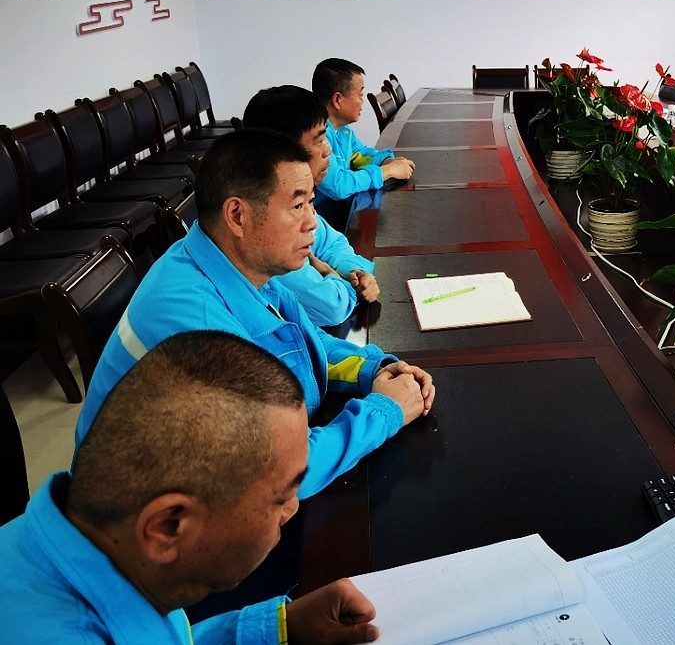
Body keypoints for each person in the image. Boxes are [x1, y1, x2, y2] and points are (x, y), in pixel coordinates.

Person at [77, 130, 435, 499]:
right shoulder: (195, 324)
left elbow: (298, 341)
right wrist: (384, 411)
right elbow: (277, 472)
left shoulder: (231, 261)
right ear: (237, 215)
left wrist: (371, 368)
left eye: (311, 202)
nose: (312, 221)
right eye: (297, 206)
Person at [0, 330, 379, 644]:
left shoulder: (80, 542)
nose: (292, 508)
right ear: (168, 526)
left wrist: (279, 625)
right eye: (281, 498)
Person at [243, 85, 380, 328]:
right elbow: (332, 305)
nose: (328, 149)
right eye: (319, 140)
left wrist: (353, 271)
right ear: (284, 150)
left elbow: (331, 242)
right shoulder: (267, 221)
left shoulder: (298, 198)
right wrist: (334, 276)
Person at [313, 58, 415, 206]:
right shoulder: (316, 138)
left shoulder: (343, 131)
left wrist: (386, 161)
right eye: (360, 95)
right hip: (327, 217)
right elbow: (340, 185)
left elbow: (361, 154)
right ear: (337, 100)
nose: (363, 101)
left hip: (347, 208)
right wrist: (388, 171)